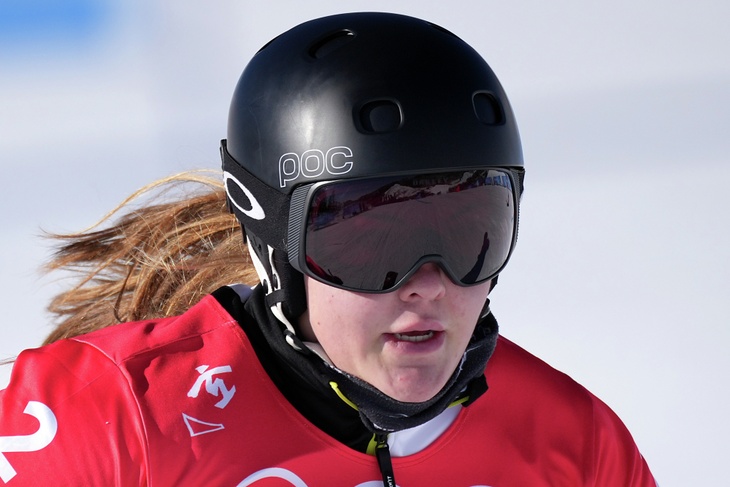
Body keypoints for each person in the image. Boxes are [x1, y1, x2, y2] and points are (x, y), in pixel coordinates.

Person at [0, 12, 657, 486]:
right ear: (276, 246)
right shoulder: (112, 415)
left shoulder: (576, 447)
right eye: (372, 242)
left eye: (467, 233)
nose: (429, 284)